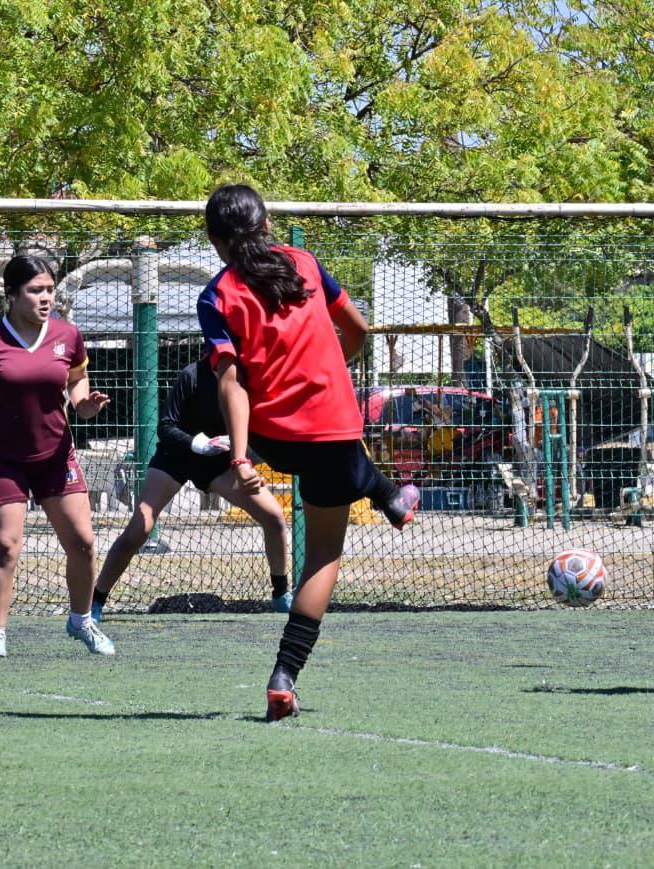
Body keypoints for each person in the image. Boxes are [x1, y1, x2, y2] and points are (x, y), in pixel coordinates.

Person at [198, 183, 421, 721]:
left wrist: (242, 457)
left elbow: (231, 384)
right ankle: (283, 676)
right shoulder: (304, 263)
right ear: (267, 222)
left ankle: (389, 494)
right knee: (322, 556)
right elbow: (358, 329)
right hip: (333, 429)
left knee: (204, 387)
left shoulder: (216, 294)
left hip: (272, 433)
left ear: (214, 241)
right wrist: (334, 361)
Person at [0, 254, 116, 658]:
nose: (46, 298)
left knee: (83, 543)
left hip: (55, 458)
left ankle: (81, 621)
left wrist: (85, 405)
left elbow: (77, 384)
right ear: (11, 294)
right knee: (5, 546)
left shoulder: (68, 335)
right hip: (2, 460)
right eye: (35, 290)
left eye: (50, 290)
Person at [91, 356, 294, 620]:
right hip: (176, 458)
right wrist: (196, 445)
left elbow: (262, 431)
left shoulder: (253, 379)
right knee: (139, 530)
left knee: (274, 516)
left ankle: (281, 595)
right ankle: (95, 602)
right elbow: (165, 427)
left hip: (220, 464)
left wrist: (248, 463)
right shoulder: (191, 376)